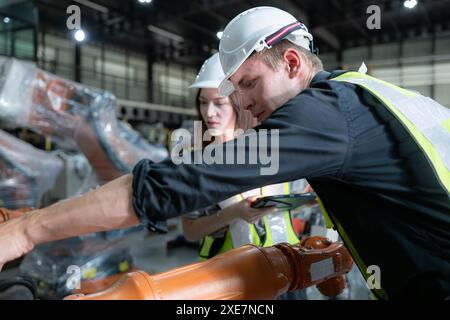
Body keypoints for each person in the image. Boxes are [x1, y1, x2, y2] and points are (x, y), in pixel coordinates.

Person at [1, 6, 449, 300]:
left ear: (292, 64)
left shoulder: (326, 114)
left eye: (249, 84)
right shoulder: (370, 96)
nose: (243, 103)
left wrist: (30, 230)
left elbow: (176, 183)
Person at [181, 53, 301, 262]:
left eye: (219, 103)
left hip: (288, 263)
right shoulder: (197, 162)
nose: (209, 113)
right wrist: (232, 213)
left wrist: (302, 202)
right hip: (230, 274)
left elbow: (294, 194)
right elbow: (190, 231)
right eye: (203, 102)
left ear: (239, 103)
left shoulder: (271, 147)